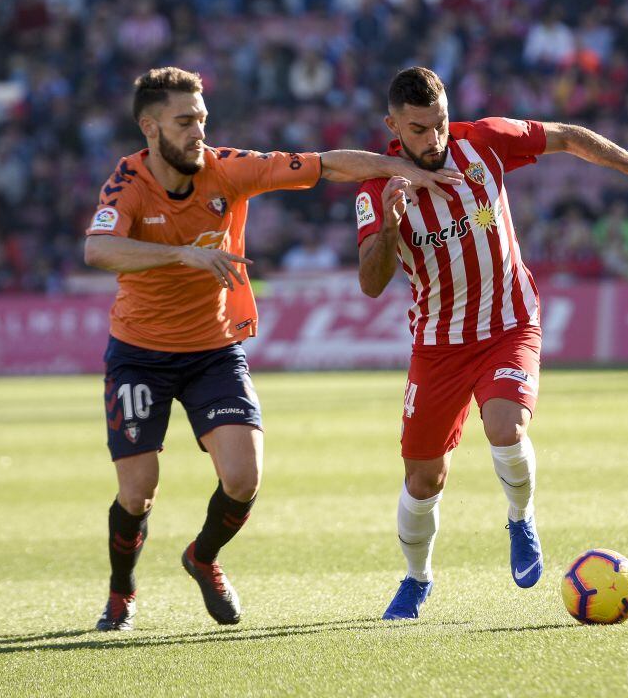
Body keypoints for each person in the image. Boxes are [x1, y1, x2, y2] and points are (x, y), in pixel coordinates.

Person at [84, 67, 461, 630]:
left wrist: (401, 167)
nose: (198, 133)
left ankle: (202, 558)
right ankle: (122, 594)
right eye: (184, 122)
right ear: (149, 127)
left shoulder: (228, 170)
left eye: (202, 120)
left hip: (214, 350)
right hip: (139, 352)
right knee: (137, 493)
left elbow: (326, 163)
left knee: (243, 479)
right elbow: (99, 249)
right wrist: (183, 256)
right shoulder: (129, 182)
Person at [355, 67, 628, 620]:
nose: (433, 139)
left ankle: (520, 518)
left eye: (440, 124)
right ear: (393, 125)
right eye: (419, 129)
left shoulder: (484, 142)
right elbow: (371, 283)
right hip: (438, 345)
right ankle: (416, 580)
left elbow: (566, 135)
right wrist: (393, 226)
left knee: (505, 428)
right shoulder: (376, 189)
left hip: (509, 321)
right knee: (423, 480)